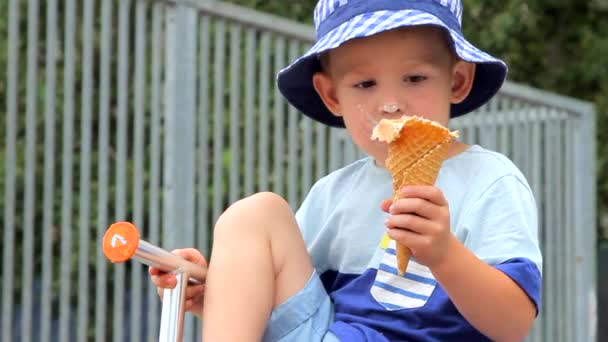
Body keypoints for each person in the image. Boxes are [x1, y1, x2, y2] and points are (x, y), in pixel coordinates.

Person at [149, 0, 542, 341]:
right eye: (365, 84)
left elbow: (512, 325)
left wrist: (444, 255)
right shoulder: (331, 195)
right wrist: (217, 294)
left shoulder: (489, 180)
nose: (390, 104)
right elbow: (286, 308)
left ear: (457, 81)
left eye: (415, 78)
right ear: (332, 95)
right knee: (254, 213)